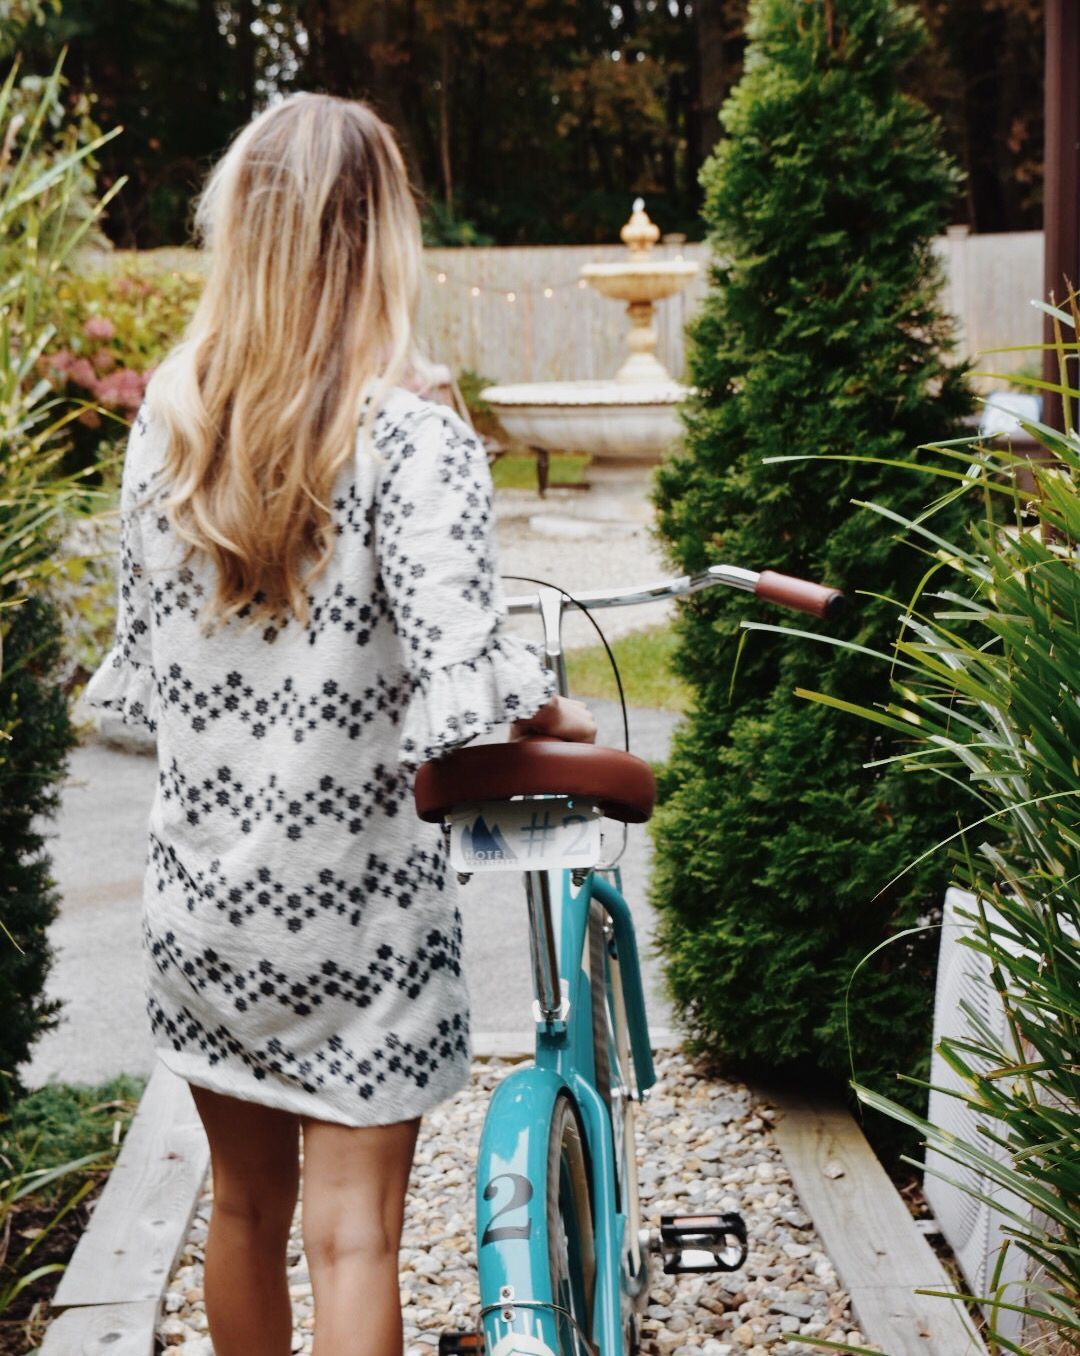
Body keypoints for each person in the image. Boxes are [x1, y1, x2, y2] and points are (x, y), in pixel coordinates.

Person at [84, 93, 596, 1356]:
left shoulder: (173, 424)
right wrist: (551, 699)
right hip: (356, 919)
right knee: (354, 1235)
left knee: (244, 1212)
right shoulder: (412, 436)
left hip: (203, 906)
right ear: (380, 240)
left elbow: (145, 682)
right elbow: (461, 685)